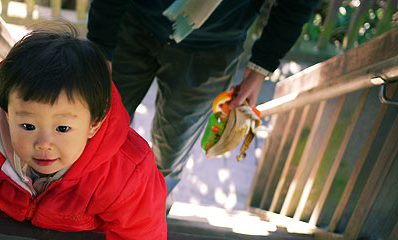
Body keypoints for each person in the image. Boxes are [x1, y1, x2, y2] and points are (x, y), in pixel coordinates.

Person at [0, 26, 168, 240]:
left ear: (94, 123)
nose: (43, 143)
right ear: (7, 113)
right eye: (28, 126)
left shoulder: (126, 171)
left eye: (62, 128)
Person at [87, 0, 320, 195]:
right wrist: (101, 43)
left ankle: (152, 211)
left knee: (171, 152)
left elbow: (297, 3)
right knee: (99, 127)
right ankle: (87, 198)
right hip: (132, 23)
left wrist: (261, 68)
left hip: (213, 49)